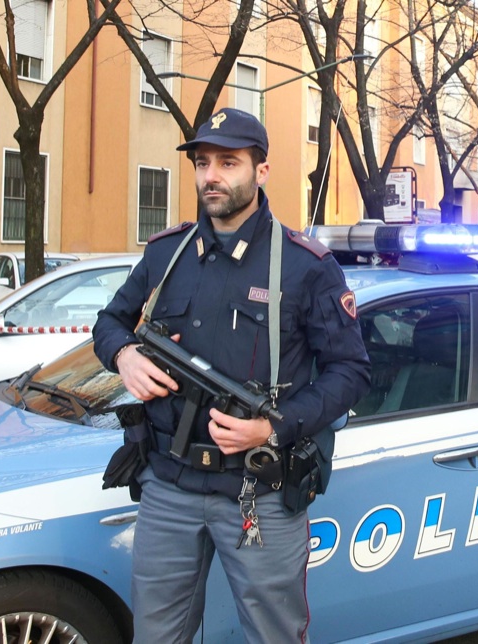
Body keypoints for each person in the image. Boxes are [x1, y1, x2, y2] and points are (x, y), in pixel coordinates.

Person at [93, 108, 371, 643]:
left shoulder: (305, 266)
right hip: (167, 485)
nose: (211, 176)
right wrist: (125, 354)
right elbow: (110, 322)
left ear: (261, 171)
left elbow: (351, 371)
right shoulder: (167, 253)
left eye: (228, 162)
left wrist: (274, 428)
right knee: (155, 635)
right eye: (202, 163)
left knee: (273, 634)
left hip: (257, 492)